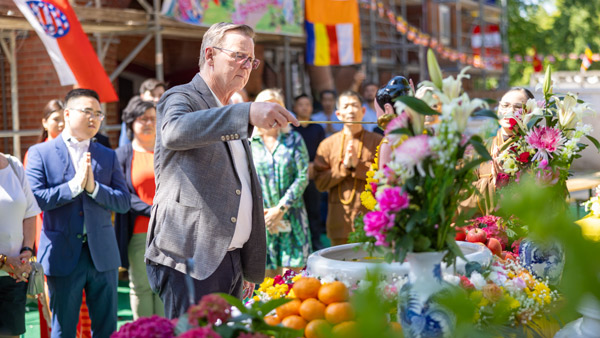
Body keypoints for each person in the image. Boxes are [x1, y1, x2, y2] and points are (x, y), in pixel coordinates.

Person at [145, 22, 299, 319]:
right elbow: (174, 132)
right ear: (210, 54)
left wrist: (241, 266)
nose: (247, 66)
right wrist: (247, 112)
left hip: (229, 262)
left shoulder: (229, 110)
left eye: (251, 60)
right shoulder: (182, 97)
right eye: (239, 56)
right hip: (189, 259)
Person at [25, 88, 130, 337]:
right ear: (68, 113)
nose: (94, 118)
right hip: (62, 255)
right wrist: (73, 188)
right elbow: (35, 199)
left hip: (102, 255)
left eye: (98, 114)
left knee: (106, 329)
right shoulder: (41, 153)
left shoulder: (107, 154)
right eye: (88, 112)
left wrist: (94, 189)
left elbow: (123, 202)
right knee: (64, 329)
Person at [250, 89, 311, 277]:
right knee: (264, 285)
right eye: (266, 105)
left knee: (292, 284)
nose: (271, 111)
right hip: (262, 220)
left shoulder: (294, 139)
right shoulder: (249, 143)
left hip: (292, 219)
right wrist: (262, 211)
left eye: (276, 106)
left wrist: (280, 208)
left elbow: (302, 176)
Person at [115, 99, 164, 320]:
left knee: (166, 287)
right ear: (130, 122)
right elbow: (123, 194)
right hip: (139, 232)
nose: (148, 123)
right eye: (142, 118)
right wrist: (153, 210)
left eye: (153, 118)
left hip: (170, 230)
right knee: (142, 287)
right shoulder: (121, 155)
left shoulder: (169, 149)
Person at [313, 91, 383, 246]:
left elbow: (386, 178)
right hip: (339, 220)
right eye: (346, 106)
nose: (351, 110)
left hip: (371, 220)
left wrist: (358, 166)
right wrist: (344, 168)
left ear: (363, 111)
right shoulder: (328, 144)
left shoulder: (378, 142)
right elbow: (320, 183)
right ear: (338, 114)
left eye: (355, 105)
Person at [467, 87, 535, 215]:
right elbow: (463, 194)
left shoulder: (537, 151)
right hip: (483, 230)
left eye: (518, 107)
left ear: (530, 113)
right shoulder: (481, 149)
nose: (510, 111)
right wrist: (492, 185)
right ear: (498, 109)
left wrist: (508, 186)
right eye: (505, 105)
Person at [0, 153, 40, 338]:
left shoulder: (14, 164)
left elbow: (30, 213)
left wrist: (26, 253)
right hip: (10, 268)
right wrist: (4, 262)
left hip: (14, 276)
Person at [292, 94, 326, 250]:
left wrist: (314, 165)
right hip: (294, 176)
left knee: (314, 210)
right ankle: (298, 244)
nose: (304, 107)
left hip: (312, 175)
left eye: (307, 104)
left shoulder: (318, 128)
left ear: (312, 108)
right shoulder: (291, 128)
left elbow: (322, 151)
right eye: (301, 104)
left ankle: (316, 241)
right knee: (297, 211)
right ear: (294, 108)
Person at [119, 78, 167, 147]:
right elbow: (125, 146)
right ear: (142, 96)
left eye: (160, 95)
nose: (157, 99)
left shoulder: (170, 115)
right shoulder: (132, 117)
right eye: (152, 95)